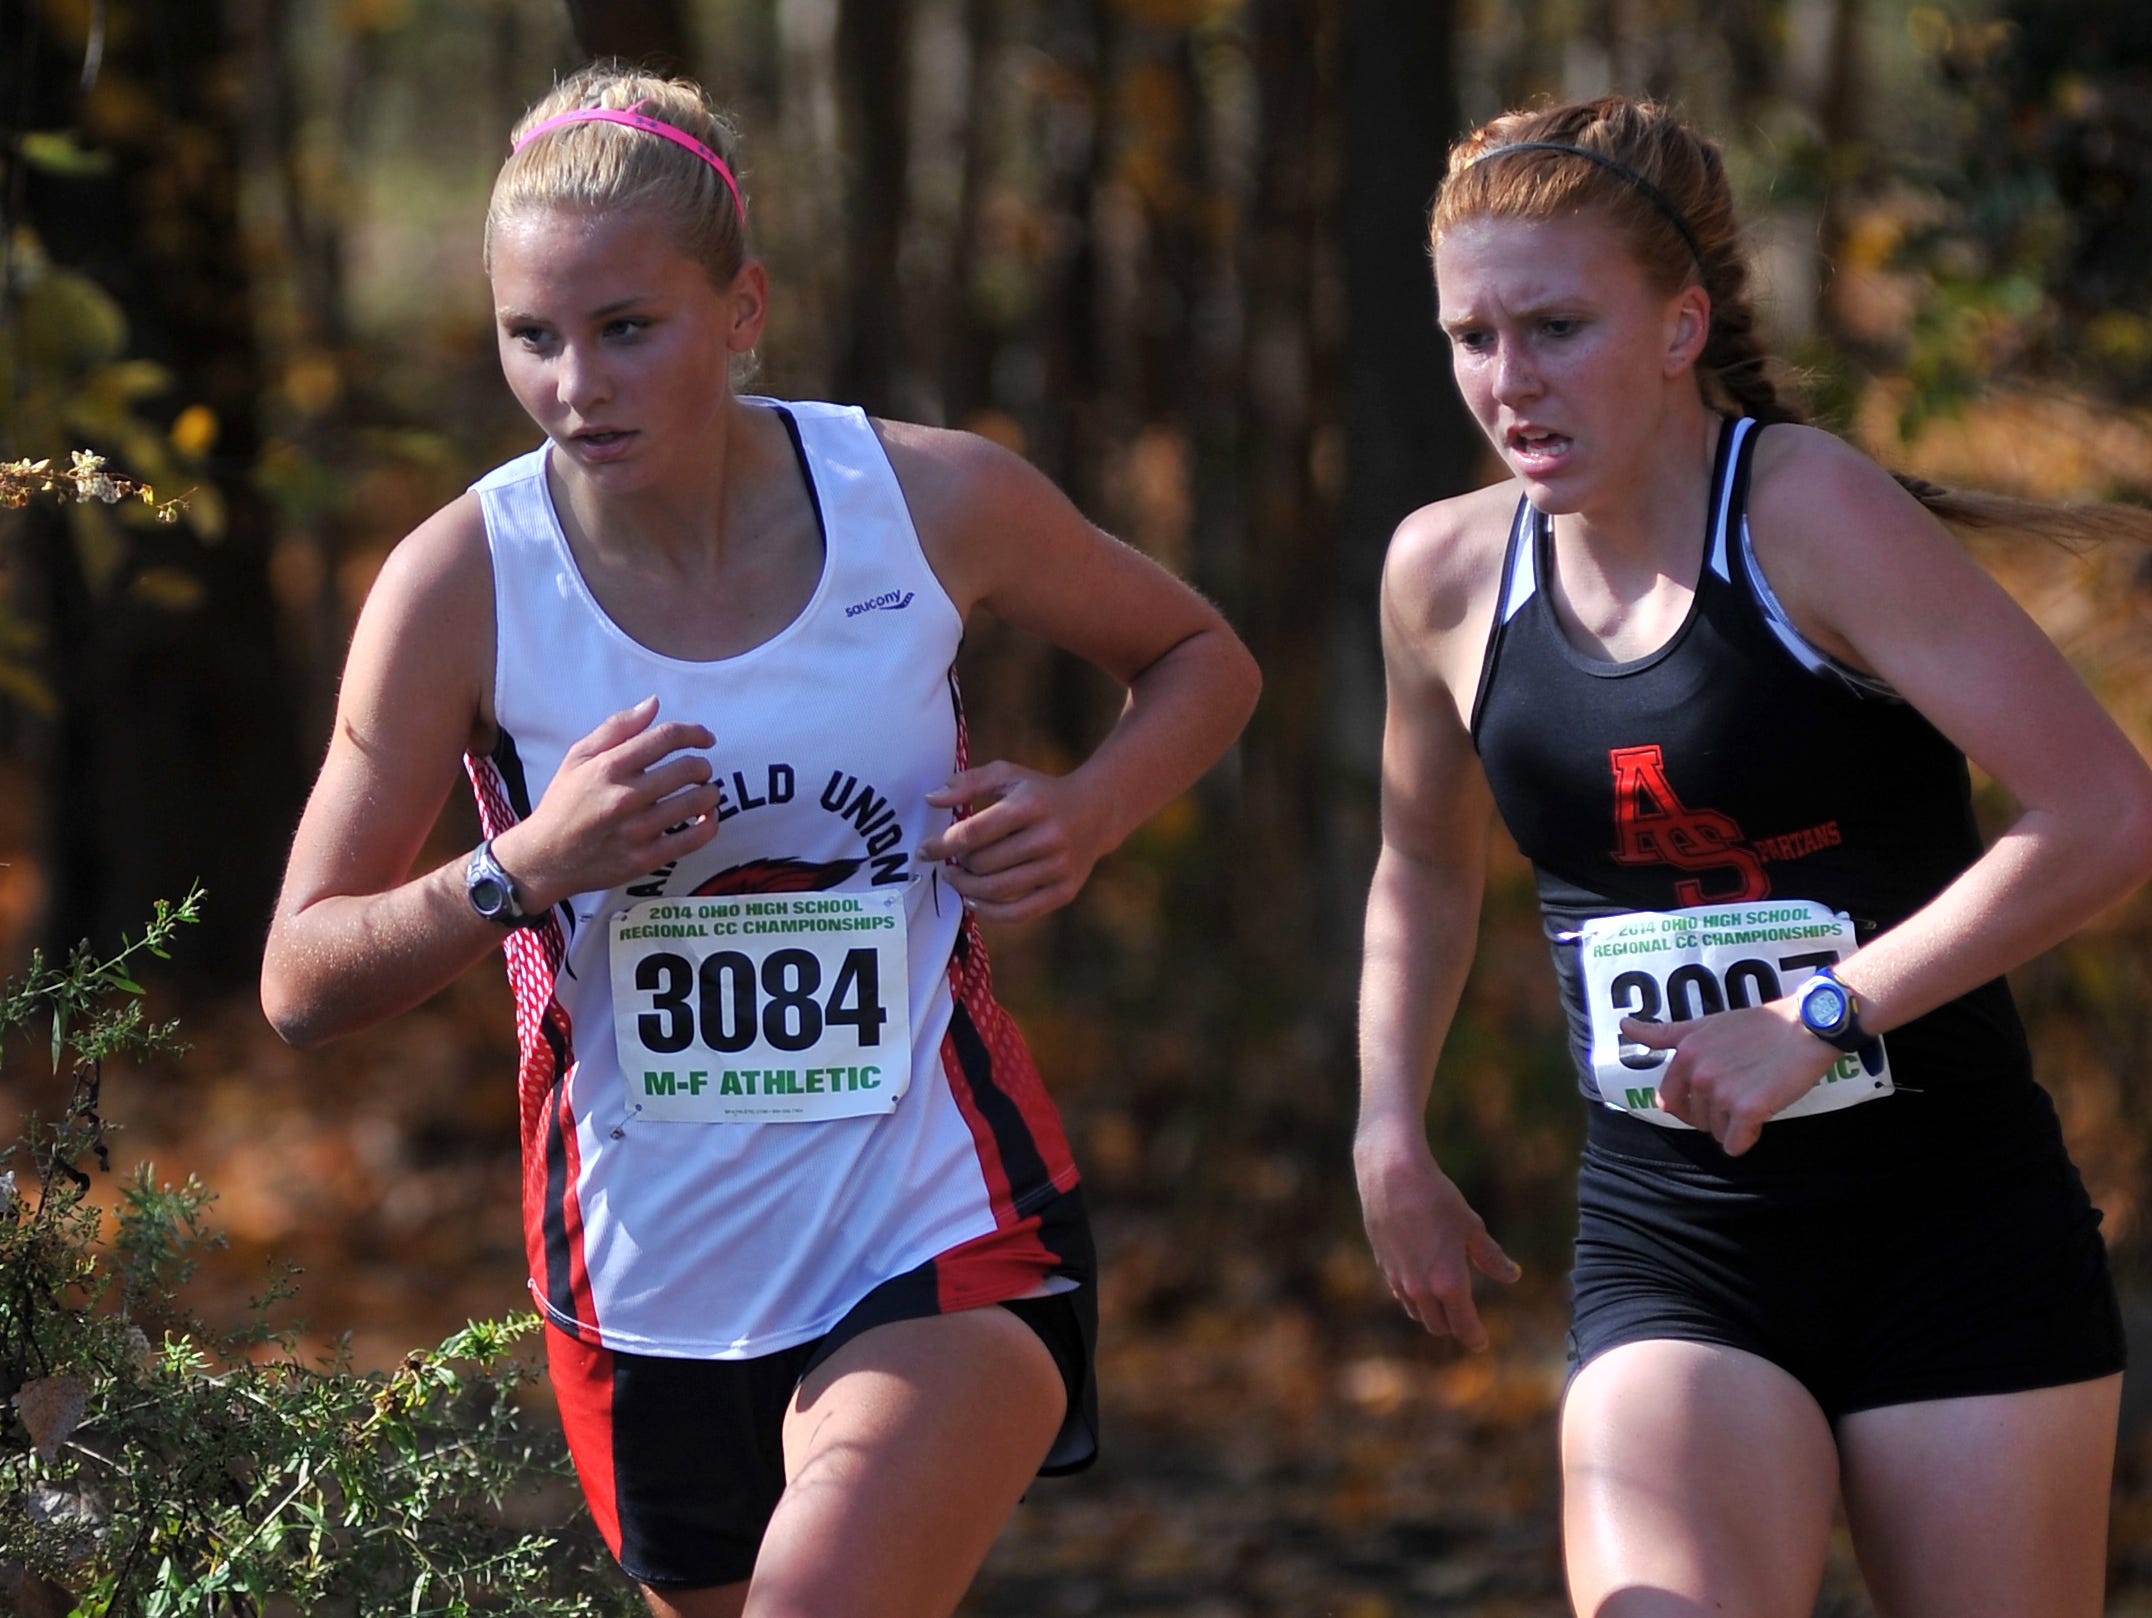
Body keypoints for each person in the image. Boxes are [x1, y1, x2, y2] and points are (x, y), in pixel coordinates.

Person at [260, 63, 1259, 1618]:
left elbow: (1203, 656)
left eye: (628, 328)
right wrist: (520, 871)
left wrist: (1087, 810)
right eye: (534, 337)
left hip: (932, 1213)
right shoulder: (462, 582)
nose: (576, 382)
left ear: (741, 312)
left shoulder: (926, 501)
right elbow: (300, 976)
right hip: (644, 1283)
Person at [1354, 94, 2152, 1618]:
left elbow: (2104, 811)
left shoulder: (1807, 515)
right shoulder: (1441, 574)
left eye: (1557, 326)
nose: (1508, 382)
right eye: (1472, 337)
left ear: (1679, 326)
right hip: (1680, 1245)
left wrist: (1819, 1015)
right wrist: (1388, 1123)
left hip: (1954, 1237)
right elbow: (1423, 864)